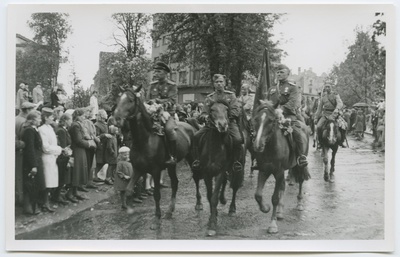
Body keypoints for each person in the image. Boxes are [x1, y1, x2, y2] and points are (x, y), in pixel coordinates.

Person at [192, 74, 243, 173]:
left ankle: (236, 161)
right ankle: (198, 160)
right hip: (212, 125)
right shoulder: (209, 98)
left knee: (237, 139)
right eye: (216, 82)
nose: (219, 84)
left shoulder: (231, 95)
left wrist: (225, 118)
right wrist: (206, 117)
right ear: (214, 84)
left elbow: (235, 111)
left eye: (221, 82)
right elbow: (203, 113)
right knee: (196, 136)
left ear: (224, 83)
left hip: (229, 123)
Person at [266, 64, 308, 167]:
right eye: (278, 72)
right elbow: (267, 102)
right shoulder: (272, 89)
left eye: (282, 72)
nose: (279, 74)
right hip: (272, 116)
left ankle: (301, 156)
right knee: (259, 130)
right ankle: (258, 158)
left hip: (288, 116)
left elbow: (294, 102)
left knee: (297, 132)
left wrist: (281, 109)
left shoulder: (293, 88)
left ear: (288, 74)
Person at [146, 61, 178, 165]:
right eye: (155, 72)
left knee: (168, 130)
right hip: (152, 113)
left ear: (165, 73)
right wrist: (152, 104)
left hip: (167, 114)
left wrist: (159, 104)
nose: (156, 74)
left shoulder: (171, 86)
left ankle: (172, 155)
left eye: (158, 72)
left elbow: (172, 101)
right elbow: (148, 100)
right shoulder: (152, 85)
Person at [69, 108, 96, 201]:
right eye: (82, 115)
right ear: (77, 116)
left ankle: (75, 192)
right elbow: (78, 140)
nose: (84, 117)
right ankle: (71, 193)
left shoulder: (78, 124)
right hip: (77, 150)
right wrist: (89, 143)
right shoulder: (75, 125)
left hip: (81, 150)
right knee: (77, 171)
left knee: (80, 170)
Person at [38, 107, 62, 212]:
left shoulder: (50, 127)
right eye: (51, 116)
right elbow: (46, 147)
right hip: (47, 158)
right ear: (46, 117)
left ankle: (46, 202)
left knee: (51, 181)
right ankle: (44, 202)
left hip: (53, 157)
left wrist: (57, 150)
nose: (53, 118)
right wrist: (58, 149)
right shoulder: (42, 129)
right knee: (47, 181)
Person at [21, 110, 45, 215]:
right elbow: (30, 149)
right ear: (33, 120)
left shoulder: (33, 129)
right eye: (38, 118)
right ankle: (29, 208)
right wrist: (33, 165)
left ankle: (33, 207)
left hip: (36, 159)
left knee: (35, 185)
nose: (40, 120)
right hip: (31, 162)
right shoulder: (29, 130)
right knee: (31, 185)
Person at [15, 102, 37, 205]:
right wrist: (23, 144)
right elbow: (24, 141)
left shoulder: (16, 119)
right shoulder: (24, 122)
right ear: (27, 110)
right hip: (20, 153)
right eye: (32, 109)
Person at [314, 83, 347, 147]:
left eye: (328, 87)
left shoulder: (335, 95)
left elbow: (340, 103)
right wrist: (316, 117)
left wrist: (337, 109)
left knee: (344, 125)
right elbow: (319, 108)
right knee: (318, 127)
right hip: (325, 115)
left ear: (331, 87)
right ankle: (320, 142)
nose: (327, 88)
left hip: (334, 114)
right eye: (326, 87)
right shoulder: (323, 97)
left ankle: (342, 141)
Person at [55, 113, 73, 205]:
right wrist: (68, 158)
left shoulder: (64, 130)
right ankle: (57, 196)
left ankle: (59, 195)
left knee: (63, 176)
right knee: (61, 176)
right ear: (65, 120)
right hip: (62, 157)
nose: (71, 121)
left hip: (64, 156)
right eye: (70, 119)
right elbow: (63, 146)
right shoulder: (61, 131)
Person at [95, 109, 112, 183]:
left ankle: (95, 176)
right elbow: (96, 136)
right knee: (99, 161)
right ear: (101, 115)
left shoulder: (105, 124)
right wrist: (104, 135)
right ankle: (94, 176)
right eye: (105, 114)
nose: (107, 115)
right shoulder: (97, 125)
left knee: (103, 161)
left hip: (105, 146)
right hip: (100, 146)